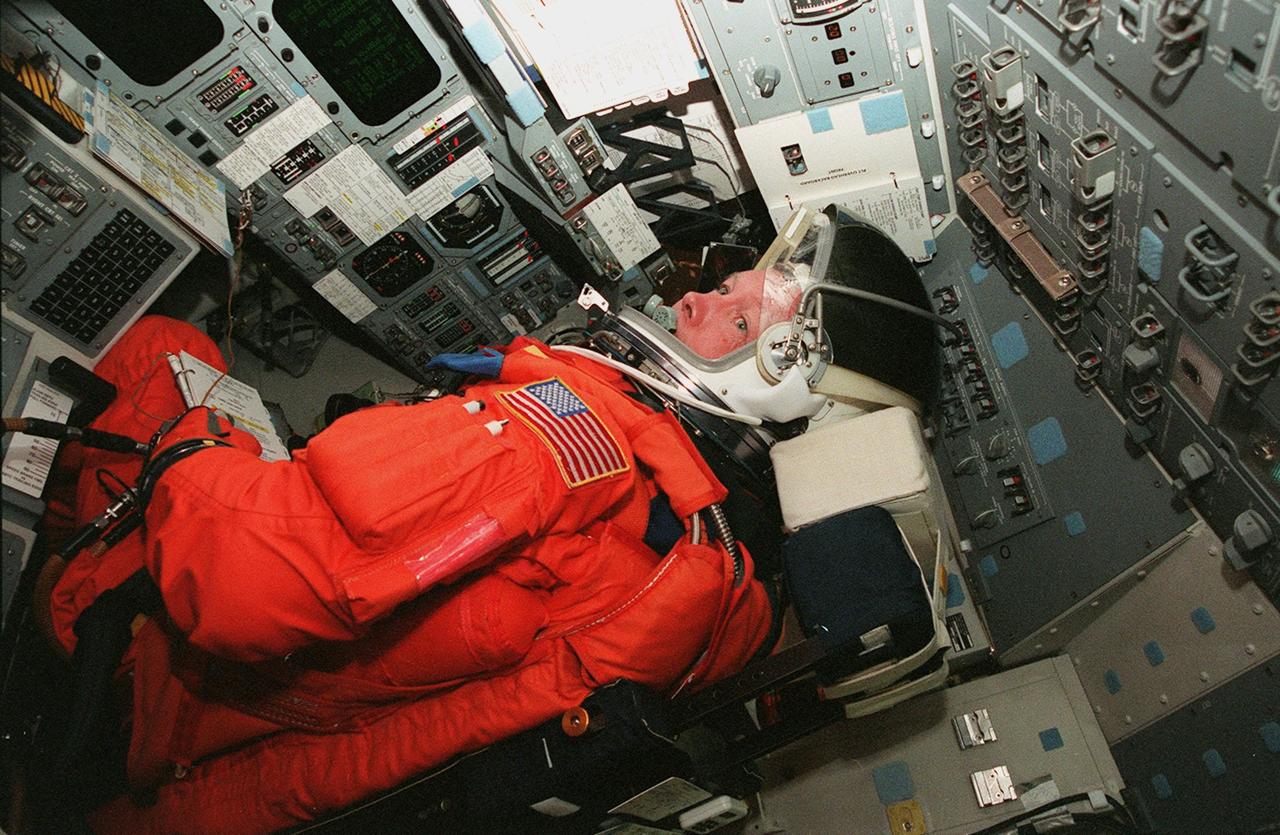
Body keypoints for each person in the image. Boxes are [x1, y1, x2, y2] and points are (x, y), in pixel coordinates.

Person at [30, 206, 941, 833]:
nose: (695, 297)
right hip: (258, 764)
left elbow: (238, 577)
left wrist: (201, 441)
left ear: (768, 387)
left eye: (738, 316)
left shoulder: (567, 442)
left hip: (150, 671)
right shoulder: (728, 585)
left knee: (167, 353)